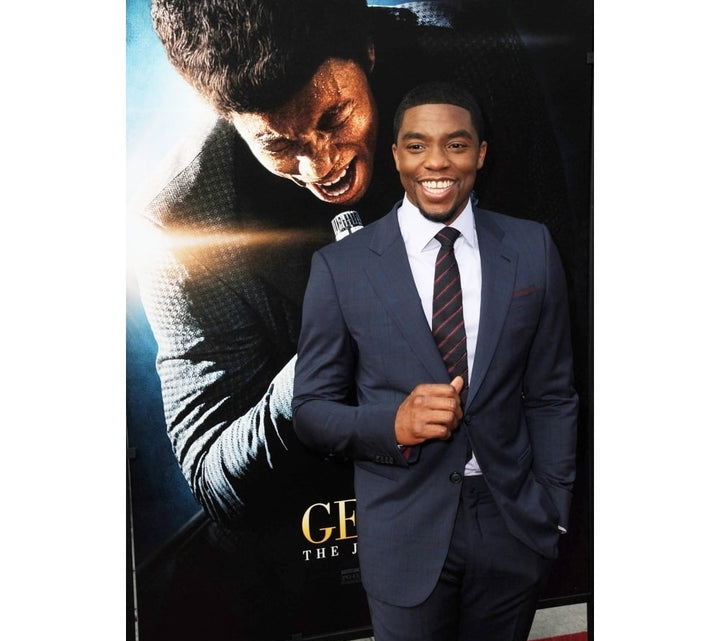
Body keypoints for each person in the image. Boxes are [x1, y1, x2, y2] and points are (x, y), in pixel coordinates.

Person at [133, 0, 576, 525]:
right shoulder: (185, 224)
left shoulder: (472, 62)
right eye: (278, 143)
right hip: (327, 534)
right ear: (228, 119)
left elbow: (567, 302)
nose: (320, 165)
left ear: (366, 48)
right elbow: (214, 481)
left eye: (334, 116)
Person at [292, 82, 578, 641]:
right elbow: (310, 409)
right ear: (394, 155)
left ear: (481, 153)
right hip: (405, 524)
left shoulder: (530, 247)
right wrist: (391, 422)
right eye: (418, 145)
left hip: (512, 520)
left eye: (456, 144)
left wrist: (551, 507)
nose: (437, 162)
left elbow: (554, 391)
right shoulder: (342, 268)